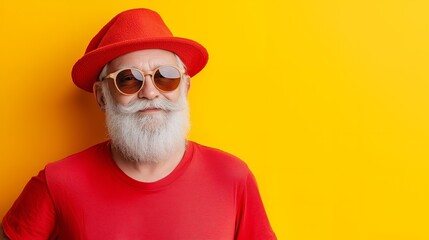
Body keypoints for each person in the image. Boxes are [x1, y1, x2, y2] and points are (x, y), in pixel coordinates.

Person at [1, 8, 276, 239]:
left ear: (185, 87)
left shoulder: (233, 177)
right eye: (129, 79)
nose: (150, 92)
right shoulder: (57, 182)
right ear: (102, 96)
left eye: (165, 76)